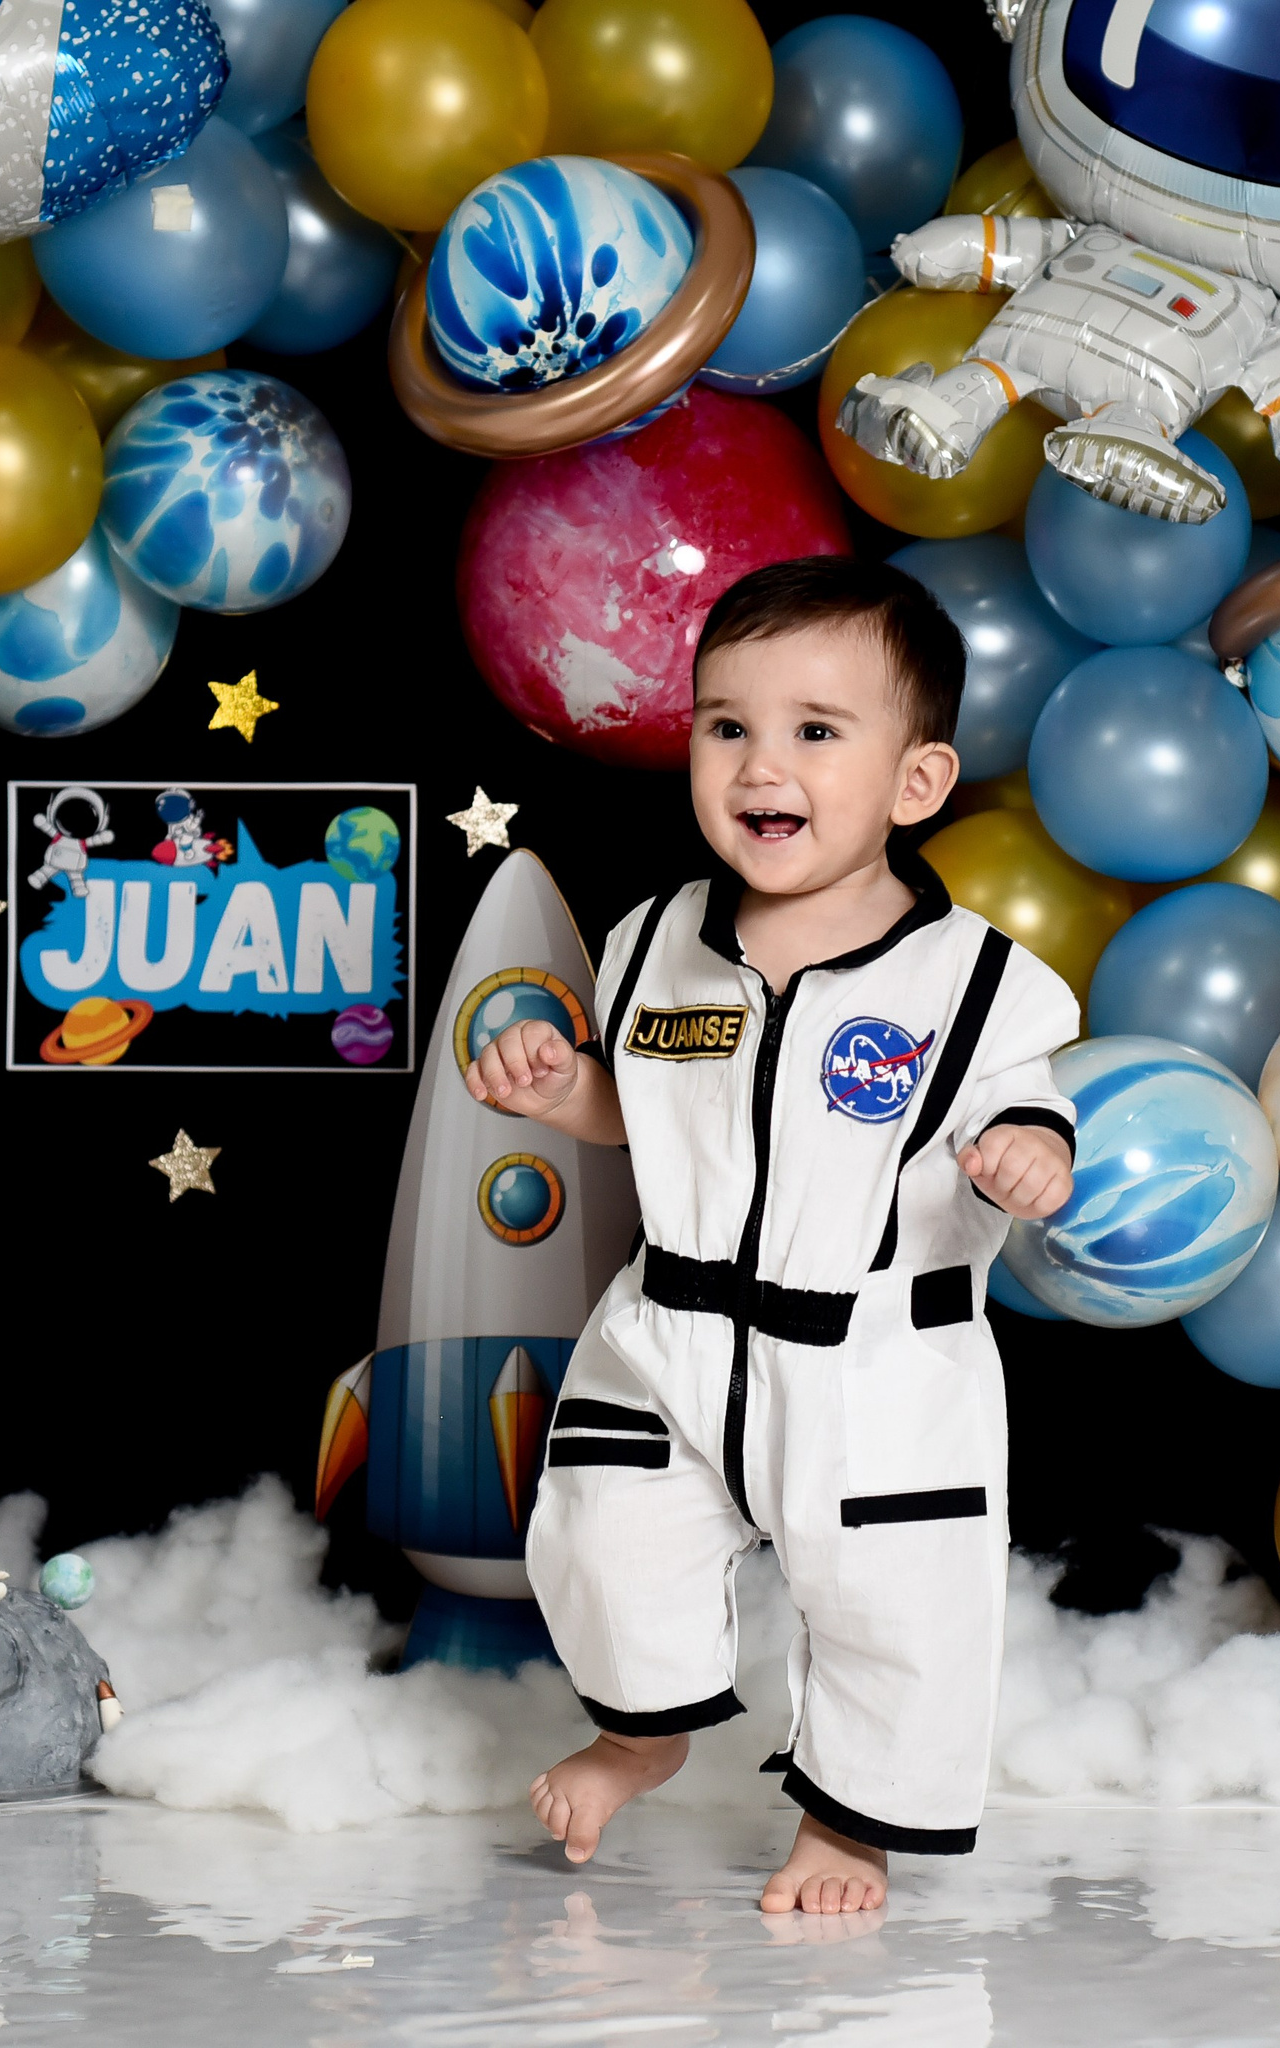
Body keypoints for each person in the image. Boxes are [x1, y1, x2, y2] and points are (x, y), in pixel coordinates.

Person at [465, 556, 1079, 1914]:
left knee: (892, 1598)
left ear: (915, 783)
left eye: (815, 730)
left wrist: (1032, 1151)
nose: (761, 764)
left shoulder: (971, 980)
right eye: (727, 724)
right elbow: (647, 1109)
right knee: (606, 1536)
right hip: (670, 1329)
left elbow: (1024, 1098)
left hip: (873, 1356)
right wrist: (565, 1090)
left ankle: (849, 1828)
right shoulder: (654, 942)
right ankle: (642, 1735)